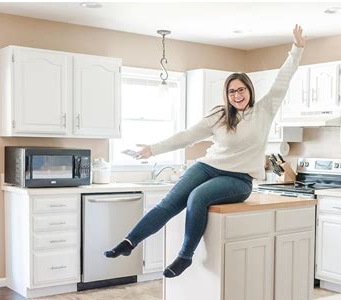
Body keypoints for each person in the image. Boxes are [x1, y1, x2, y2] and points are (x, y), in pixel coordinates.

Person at [105, 25, 306, 278]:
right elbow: (187, 136)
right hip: (207, 167)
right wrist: (152, 149)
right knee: (169, 202)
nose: (237, 95)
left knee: (197, 197)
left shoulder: (264, 111)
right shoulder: (219, 115)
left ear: (249, 90)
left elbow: (282, 80)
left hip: (239, 179)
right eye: (232, 91)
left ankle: (185, 256)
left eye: (241, 89)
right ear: (227, 95)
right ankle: (129, 242)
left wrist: (297, 49)